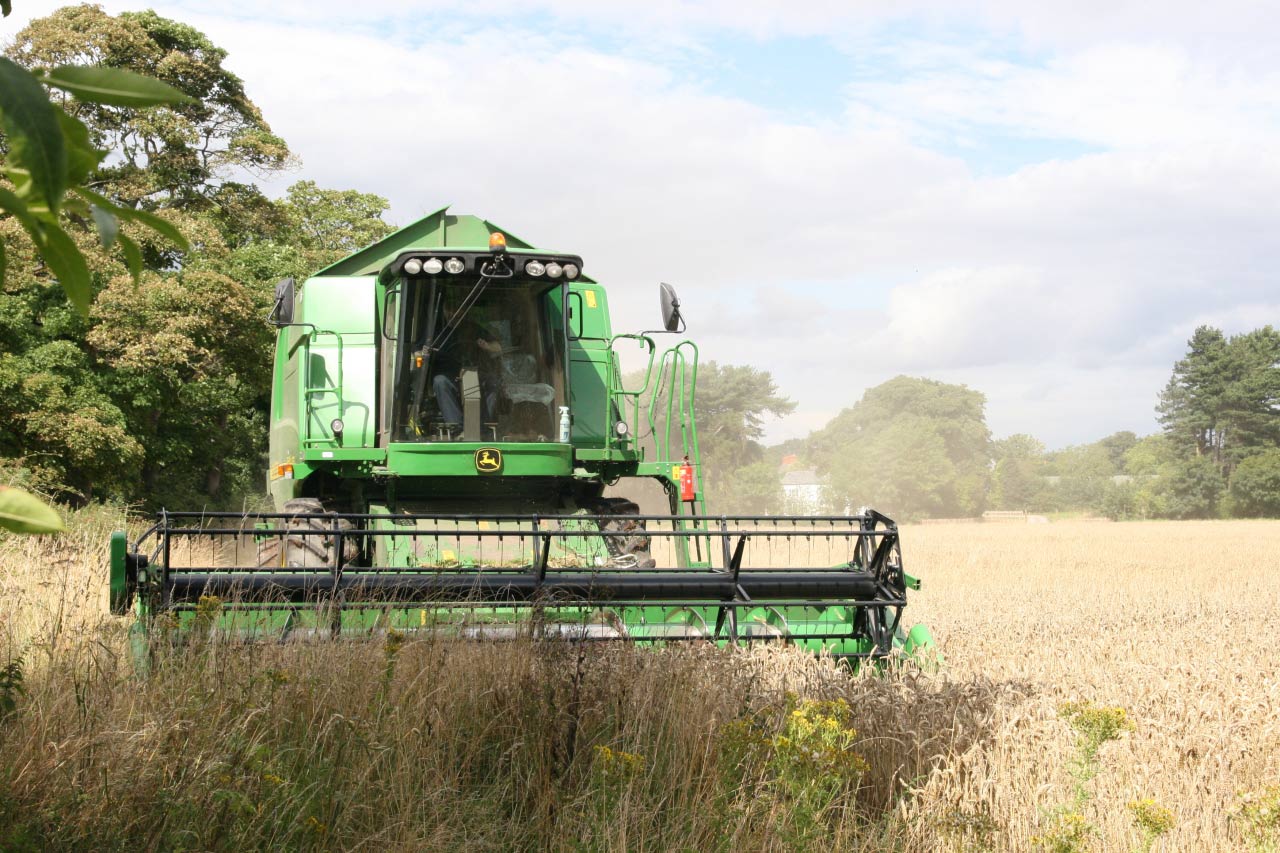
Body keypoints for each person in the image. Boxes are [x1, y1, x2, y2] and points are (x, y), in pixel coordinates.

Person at [430, 312, 502, 433]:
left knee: (494, 381)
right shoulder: (435, 330)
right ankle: (457, 428)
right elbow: (418, 350)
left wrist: (487, 346)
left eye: (457, 308)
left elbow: (498, 347)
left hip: (475, 372)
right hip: (449, 376)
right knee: (440, 381)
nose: (453, 312)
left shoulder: (472, 328)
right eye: (449, 308)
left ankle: (483, 427)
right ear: (444, 309)